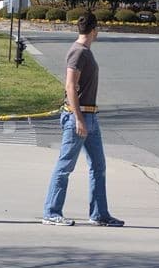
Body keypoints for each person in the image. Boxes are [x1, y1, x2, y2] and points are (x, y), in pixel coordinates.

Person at [42, 12, 124, 227]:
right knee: (65, 166)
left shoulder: (85, 51)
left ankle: (99, 214)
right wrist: (78, 119)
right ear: (94, 30)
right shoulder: (78, 52)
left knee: (98, 166)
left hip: (91, 116)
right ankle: (51, 212)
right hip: (77, 117)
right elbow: (70, 85)